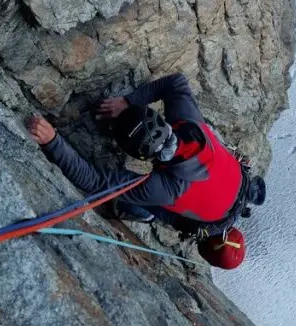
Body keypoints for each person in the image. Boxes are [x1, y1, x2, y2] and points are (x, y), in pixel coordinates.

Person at [25, 73, 265, 269]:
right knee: (152, 206)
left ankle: (143, 212)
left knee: (144, 203)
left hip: (218, 193)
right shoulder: (189, 124)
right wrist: (128, 103)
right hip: (220, 193)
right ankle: (143, 213)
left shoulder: (166, 184)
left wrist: (53, 141)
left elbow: (96, 183)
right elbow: (176, 83)